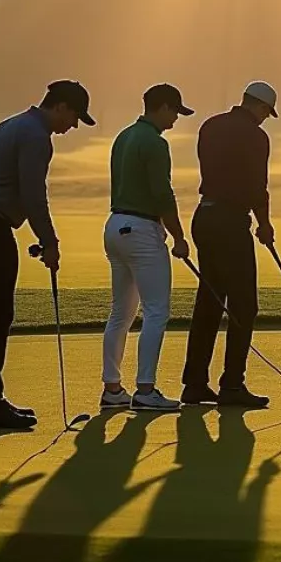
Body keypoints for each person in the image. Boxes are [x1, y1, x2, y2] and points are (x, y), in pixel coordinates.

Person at [0, 80, 94, 430]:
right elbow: (33, 196)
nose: (72, 126)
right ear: (60, 106)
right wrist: (50, 241)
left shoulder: (13, 123)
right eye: (74, 116)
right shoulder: (35, 136)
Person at [181, 81, 279, 409]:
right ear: (261, 108)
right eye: (267, 113)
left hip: (204, 218)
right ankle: (232, 385)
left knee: (209, 302)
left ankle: (195, 383)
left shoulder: (210, 126)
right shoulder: (256, 136)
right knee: (244, 306)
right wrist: (264, 223)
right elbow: (256, 183)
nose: (266, 119)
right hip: (230, 222)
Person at [100, 83, 195, 413]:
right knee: (156, 310)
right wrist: (180, 237)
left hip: (114, 227)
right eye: (175, 113)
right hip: (141, 229)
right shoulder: (154, 143)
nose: (175, 120)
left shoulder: (124, 136)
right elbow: (162, 195)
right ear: (164, 107)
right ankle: (145, 389)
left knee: (121, 312)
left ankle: (113, 389)